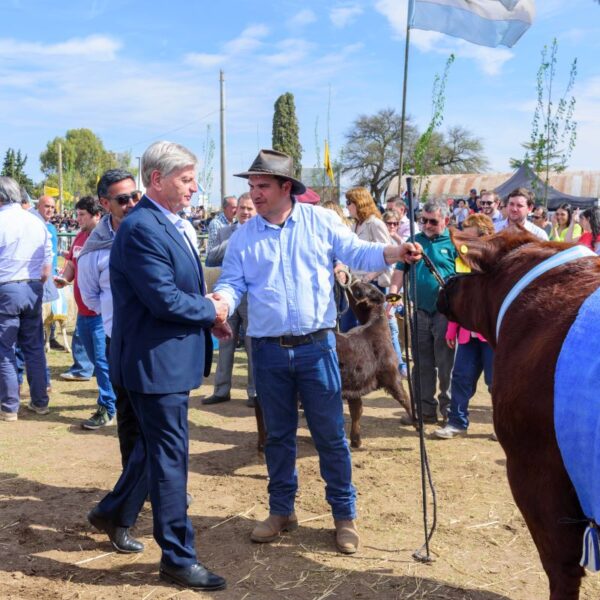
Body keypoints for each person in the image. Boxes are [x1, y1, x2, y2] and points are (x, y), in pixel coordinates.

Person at [211, 149, 420, 555]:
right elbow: (233, 283)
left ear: (286, 187)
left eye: (262, 186)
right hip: (268, 351)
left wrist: (396, 252)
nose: (254, 193)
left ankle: (344, 517)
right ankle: (281, 510)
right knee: (278, 437)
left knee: (331, 436)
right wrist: (221, 302)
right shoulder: (244, 238)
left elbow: (358, 252)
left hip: (318, 347)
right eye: (251, 186)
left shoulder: (320, 222)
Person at [87, 141, 227, 592]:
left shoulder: (165, 222)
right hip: (154, 364)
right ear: (156, 180)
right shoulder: (144, 227)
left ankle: (112, 512)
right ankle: (177, 558)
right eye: (186, 179)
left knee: (154, 450)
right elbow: (164, 298)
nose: (193, 187)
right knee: (170, 459)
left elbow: (175, 289)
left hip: (165, 359)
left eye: (192, 178)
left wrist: (207, 313)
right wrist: (211, 311)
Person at [77, 169, 140, 464]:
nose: (132, 203)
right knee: (128, 418)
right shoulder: (96, 250)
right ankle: (132, 486)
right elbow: (91, 298)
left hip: (158, 343)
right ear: (105, 203)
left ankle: (166, 486)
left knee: (161, 421)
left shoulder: (155, 230)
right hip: (121, 342)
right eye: (123, 199)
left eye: (135, 196)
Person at [389, 199, 457, 424]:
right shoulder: (413, 241)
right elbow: (400, 270)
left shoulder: (455, 242)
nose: (427, 225)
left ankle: (449, 412)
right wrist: (393, 293)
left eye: (433, 221)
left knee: (446, 364)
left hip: (445, 313)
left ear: (445, 220)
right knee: (422, 363)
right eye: (423, 220)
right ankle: (425, 410)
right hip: (418, 311)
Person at [56, 197, 117, 430]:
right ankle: (115, 398)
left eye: (82, 215)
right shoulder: (80, 237)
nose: (78, 218)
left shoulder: (104, 239)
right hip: (83, 312)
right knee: (94, 361)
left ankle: (107, 408)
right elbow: (71, 262)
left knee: (102, 363)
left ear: (97, 215)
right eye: (78, 214)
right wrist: (65, 278)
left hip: (101, 314)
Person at [434, 214, 495, 439]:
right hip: (467, 334)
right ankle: (457, 422)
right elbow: (459, 300)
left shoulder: (495, 265)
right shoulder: (462, 260)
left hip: (490, 335)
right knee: (460, 377)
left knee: (494, 382)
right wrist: (452, 328)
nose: (463, 242)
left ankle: (500, 426)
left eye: (469, 236)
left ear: (483, 236)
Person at [0, 177, 52, 421]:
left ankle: (10, 407)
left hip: (7, 287)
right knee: (33, 347)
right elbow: (47, 259)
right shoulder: (35, 221)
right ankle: (40, 401)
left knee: (5, 348)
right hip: (32, 287)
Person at [203, 192, 257, 407]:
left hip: (252, 297)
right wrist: (235, 239)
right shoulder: (226, 231)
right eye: (241, 208)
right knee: (225, 345)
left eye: (249, 208)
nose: (244, 212)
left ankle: (254, 393)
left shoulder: (261, 231)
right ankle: (221, 390)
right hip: (227, 296)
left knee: (253, 345)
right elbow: (211, 257)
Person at [340, 187, 393, 332]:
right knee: (347, 326)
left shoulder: (375, 224)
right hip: (355, 284)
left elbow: (387, 255)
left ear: (359, 203)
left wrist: (370, 276)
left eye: (349, 202)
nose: (347, 206)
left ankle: (392, 355)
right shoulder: (354, 225)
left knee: (378, 329)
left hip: (373, 286)